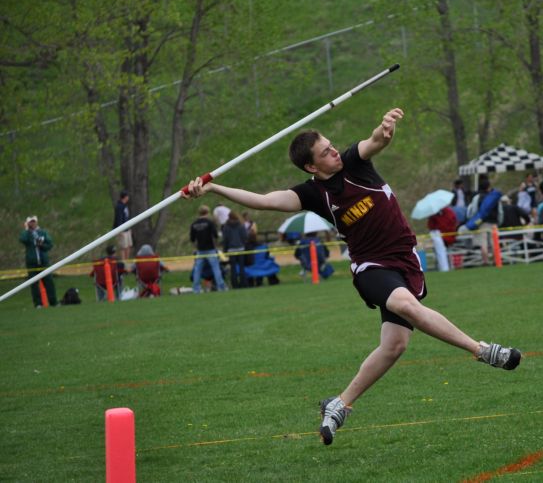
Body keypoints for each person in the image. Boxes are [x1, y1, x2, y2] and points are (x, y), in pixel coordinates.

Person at [182, 107, 521, 446]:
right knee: (407, 306)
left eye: (331, 145)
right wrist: (214, 190)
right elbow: (263, 201)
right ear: (312, 167)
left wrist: (385, 128)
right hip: (371, 267)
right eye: (325, 152)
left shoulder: (354, 163)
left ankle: (339, 404)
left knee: (394, 346)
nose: (333, 151)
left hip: (405, 260)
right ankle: (482, 350)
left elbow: (375, 141)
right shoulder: (314, 195)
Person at [463, 176, 503, 265]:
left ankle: (485, 261)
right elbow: (500, 211)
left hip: (482, 222)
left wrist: (473, 221)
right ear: (489, 187)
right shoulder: (495, 197)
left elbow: (473, 210)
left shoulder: (478, 197)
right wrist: (499, 221)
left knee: (483, 243)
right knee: (494, 242)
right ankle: (495, 260)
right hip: (494, 222)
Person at [19, 216, 57, 307]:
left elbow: (49, 244)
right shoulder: (26, 233)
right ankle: (38, 304)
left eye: (34, 222)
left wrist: (42, 245)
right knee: (34, 284)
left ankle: (53, 302)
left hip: (43, 262)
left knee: (49, 282)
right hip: (32, 262)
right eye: (30, 222)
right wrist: (27, 230)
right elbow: (22, 239)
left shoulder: (42, 232)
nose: (32, 224)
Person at [190, 205, 227, 293]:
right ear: (207, 212)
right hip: (210, 249)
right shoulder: (210, 222)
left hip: (200, 250)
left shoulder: (194, 224)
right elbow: (215, 235)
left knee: (197, 270)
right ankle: (221, 287)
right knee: (216, 268)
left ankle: (196, 289)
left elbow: (192, 238)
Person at [222, 211, 249, 288]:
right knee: (241, 267)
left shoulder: (226, 227)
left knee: (233, 268)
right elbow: (244, 236)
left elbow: (225, 239)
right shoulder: (241, 225)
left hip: (231, 250)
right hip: (240, 248)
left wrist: (225, 250)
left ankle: (235, 284)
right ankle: (243, 284)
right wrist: (243, 244)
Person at [427, 205, 457, 272]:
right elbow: (431, 227)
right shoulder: (433, 215)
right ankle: (443, 267)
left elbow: (451, 225)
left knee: (439, 245)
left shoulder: (448, 212)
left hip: (448, 236)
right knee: (437, 241)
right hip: (439, 237)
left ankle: (444, 267)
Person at [113, 190, 132, 263]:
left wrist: (129, 227)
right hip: (121, 230)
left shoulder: (125, 206)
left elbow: (126, 217)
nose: (128, 198)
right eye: (127, 196)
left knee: (128, 246)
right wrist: (119, 230)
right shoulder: (119, 206)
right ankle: (123, 263)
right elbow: (118, 218)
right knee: (123, 247)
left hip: (127, 229)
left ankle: (127, 261)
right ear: (125, 197)